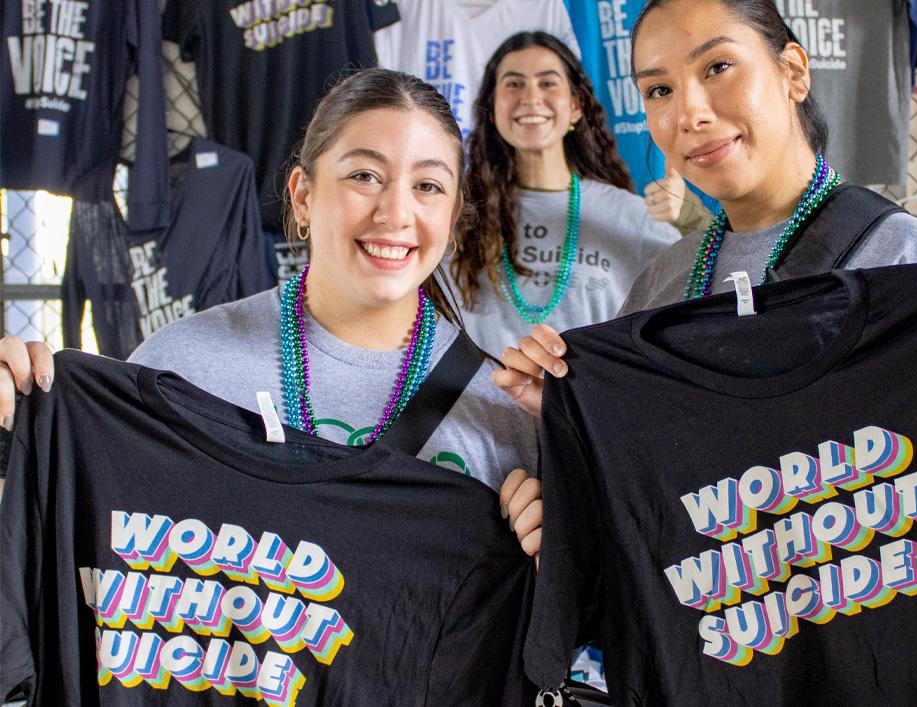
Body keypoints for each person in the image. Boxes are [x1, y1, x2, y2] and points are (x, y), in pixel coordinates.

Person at [0, 69, 543, 559]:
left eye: (427, 186)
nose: (395, 212)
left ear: (451, 215)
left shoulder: (502, 415)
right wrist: (15, 428)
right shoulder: (178, 366)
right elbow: (77, 543)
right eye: (364, 176)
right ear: (302, 195)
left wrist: (557, 551)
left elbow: (566, 628)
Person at [490, 0, 917, 416]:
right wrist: (570, 413)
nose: (691, 113)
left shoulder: (907, 256)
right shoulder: (659, 286)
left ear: (793, 70)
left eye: (717, 67)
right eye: (659, 90)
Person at [452, 31, 702, 358]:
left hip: (594, 406)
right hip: (481, 408)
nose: (530, 97)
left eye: (548, 83)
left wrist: (690, 217)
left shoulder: (628, 216)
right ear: (492, 107)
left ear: (575, 106)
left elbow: (717, 280)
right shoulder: (459, 216)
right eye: (513, 84)